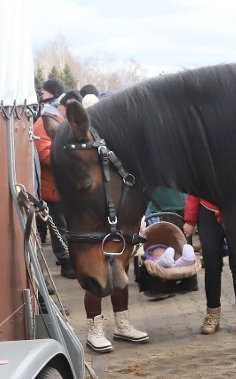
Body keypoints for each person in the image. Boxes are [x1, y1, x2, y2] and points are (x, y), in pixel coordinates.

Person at [69, 92, 150, 353]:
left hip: (119, 214)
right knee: (97, 272)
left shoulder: (117, 144)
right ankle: (95, 329)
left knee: (120, 269)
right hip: (96, 216)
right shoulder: (84, 147)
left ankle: (122, 324)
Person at [182, 196, 236, 335]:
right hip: (207, 212)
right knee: (211, 266)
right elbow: (195, 187)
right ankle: (212, 315)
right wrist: (190, 220)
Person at [34, 77, 75, 279]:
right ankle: (66, 264)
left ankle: (70, 261)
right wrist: (72, 154)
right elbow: (45, 155)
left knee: (66, 227)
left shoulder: (59, 121)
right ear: (63, 107)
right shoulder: (43, 124)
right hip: (53, 188)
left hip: (62, 186)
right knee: (60, 228)